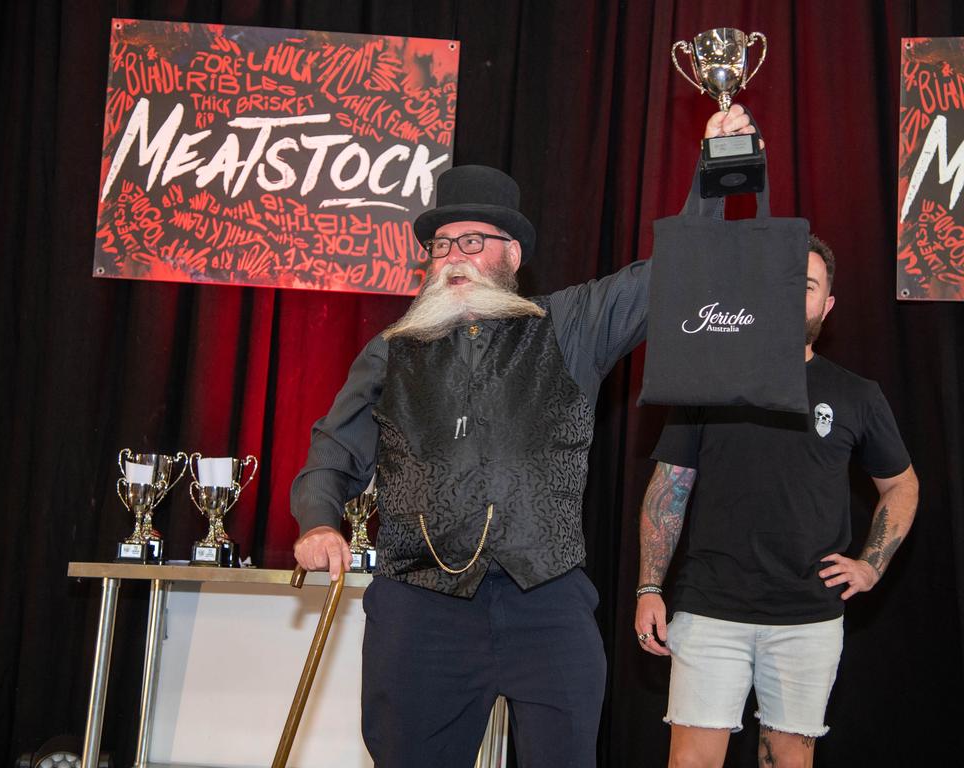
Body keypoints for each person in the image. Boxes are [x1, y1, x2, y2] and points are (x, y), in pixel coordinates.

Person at [291, 108, 754, 767]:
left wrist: (715, 168)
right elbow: (331, 453)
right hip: (420, 608)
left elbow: (671, 274)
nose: (453, 257)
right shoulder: (389, 353)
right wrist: (318, 523)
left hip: (547, 600)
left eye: (472, 242)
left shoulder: (572, 324)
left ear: (511, 253)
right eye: (441, 245)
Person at [634, 235, 919, 768]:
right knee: (691, 762)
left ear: (827, 305)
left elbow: (902, 483)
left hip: (808, 615)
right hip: (710, 608)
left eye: (808, 286)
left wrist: (871, 566)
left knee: (788, 760)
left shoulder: (857, 394)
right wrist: (650, 586)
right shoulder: (709, 382)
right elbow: (668, 488)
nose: (794, 298)